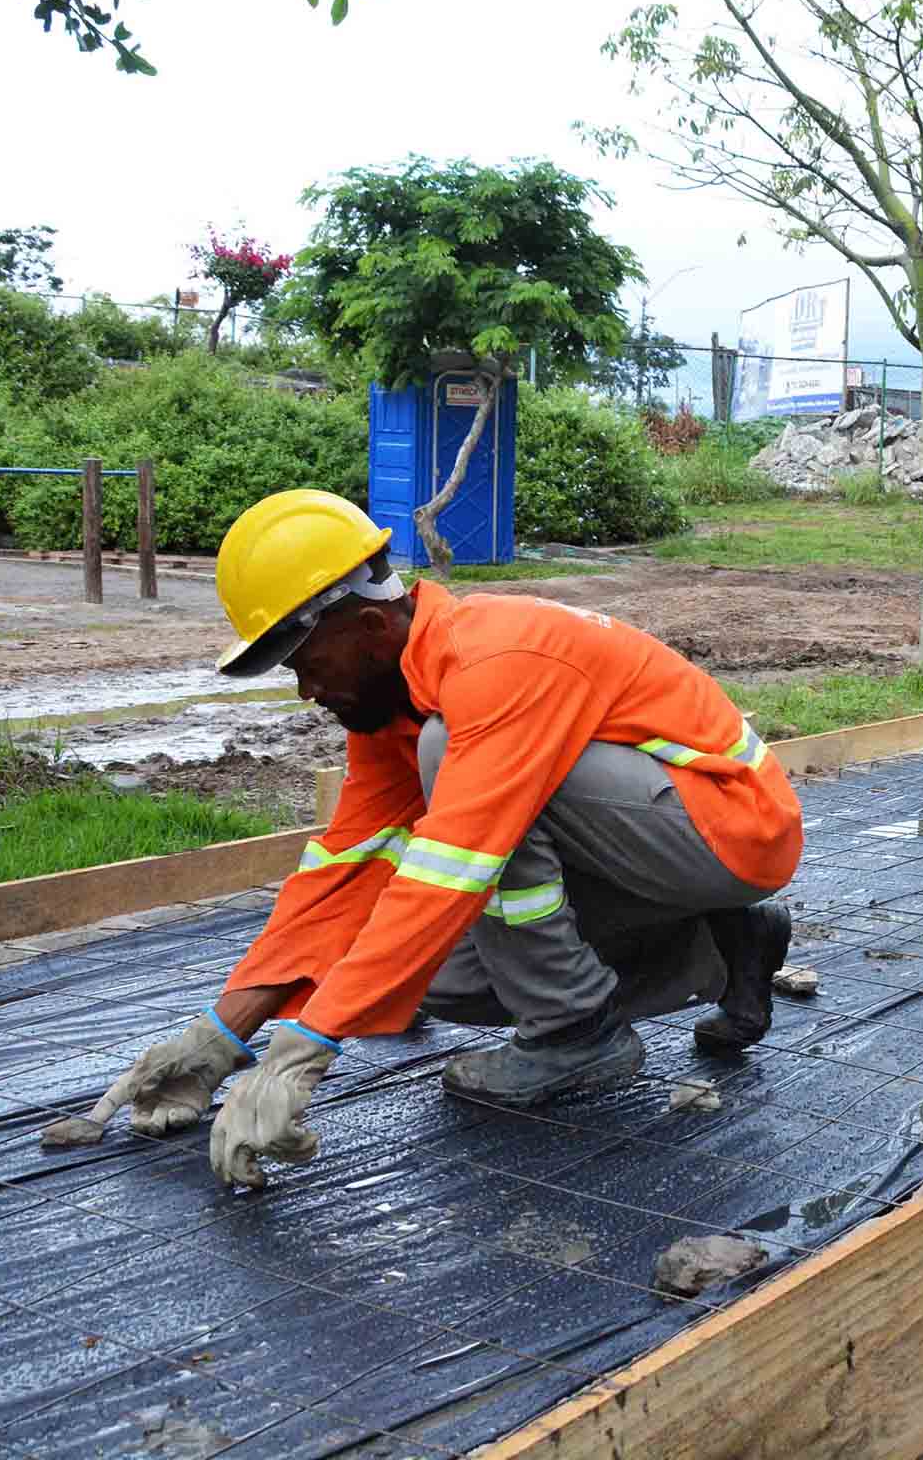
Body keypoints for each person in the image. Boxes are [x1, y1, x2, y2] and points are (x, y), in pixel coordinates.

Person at [63, 490, 805, 1188]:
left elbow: (450, 872)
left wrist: (304, 1052)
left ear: (368, 624)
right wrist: (223, 1036)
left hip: (733, 827)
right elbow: (342, 875)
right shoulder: (394, 703)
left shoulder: (494, 662)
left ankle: (579, 1032)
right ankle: (718, 945)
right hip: (654, 844)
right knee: (437, 980)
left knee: (448, 770)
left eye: (309, 664)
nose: (307, 692)